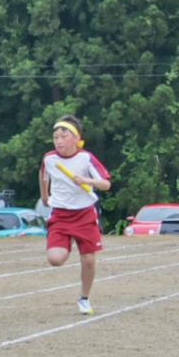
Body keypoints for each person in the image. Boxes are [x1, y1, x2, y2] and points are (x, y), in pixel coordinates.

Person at [39, 115, 111, 315]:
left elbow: (106, 184)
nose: (59, 140)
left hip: (85, 214)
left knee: (88, 260)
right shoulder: (49, 159)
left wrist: (86, 181)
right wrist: (44, 196)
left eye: (64, 136)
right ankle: (66, 241)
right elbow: (43, 174)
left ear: (75, 138)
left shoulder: (85, 158)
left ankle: (84, 298)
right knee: (55, 259)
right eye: (55, 137)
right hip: (61, 215)